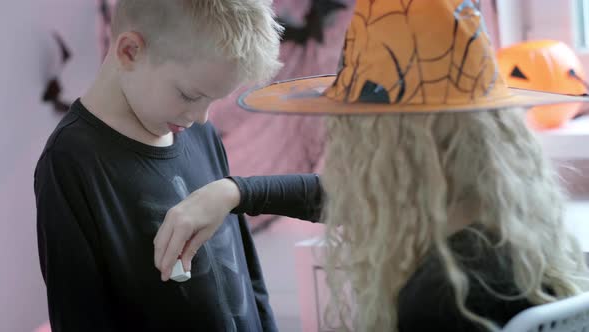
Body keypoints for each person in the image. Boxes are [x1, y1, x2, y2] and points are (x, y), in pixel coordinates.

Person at [162, 0, 589, 331]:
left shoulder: (444, 296)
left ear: (386, 150)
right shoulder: (508, 238)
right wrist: (236, 191)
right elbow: (348, 196)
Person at [34, 1, 320, 331]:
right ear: (130, 51)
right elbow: (80, 317)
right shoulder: (71, 161)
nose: (202, 117)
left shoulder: (197, 130)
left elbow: (248, 277)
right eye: (188, 95)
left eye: (213, 101)